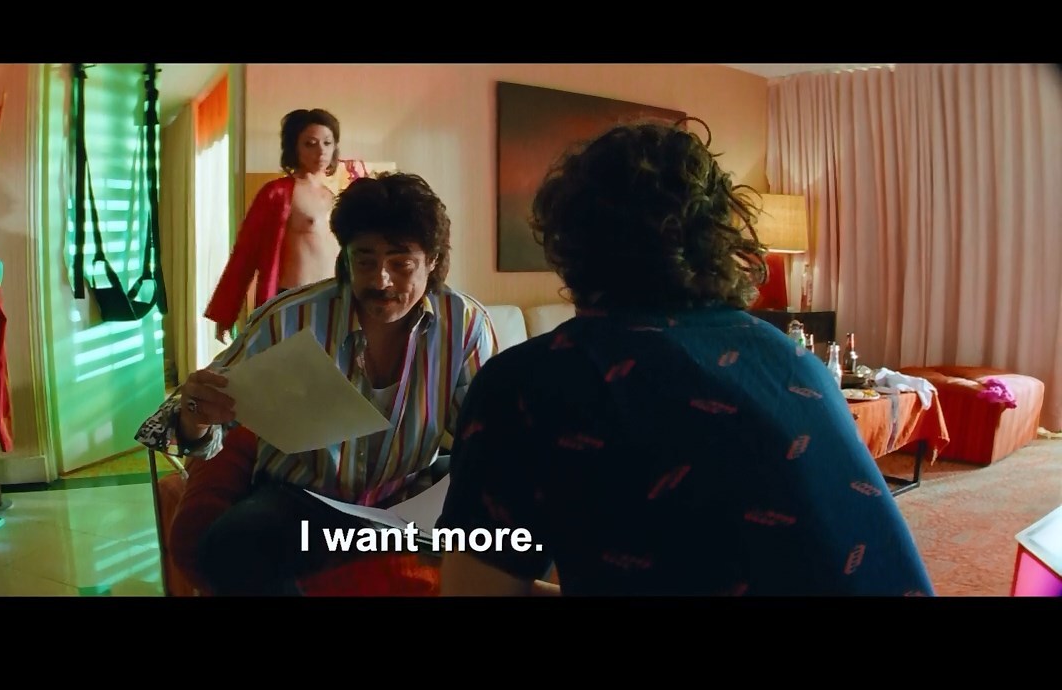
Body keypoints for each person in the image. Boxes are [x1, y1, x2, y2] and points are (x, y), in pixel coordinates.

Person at [436, 119, 936, 597]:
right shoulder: (790, 357)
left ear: (568, 241)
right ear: (720, 234)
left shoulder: (528, 384)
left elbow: (474, 590)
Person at [137, 172, 498, 595]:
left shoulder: (464, 324)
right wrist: (195, 417)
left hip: (407, 494)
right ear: (345, 257)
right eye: (364, 261)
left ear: (432, 260)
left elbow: (482, 434)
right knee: (227, 548)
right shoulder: (290, 319)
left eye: (401, 264)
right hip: (304, 498)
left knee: (519, 523)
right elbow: (188, 421)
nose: (380, 281)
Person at [204, 108, 360, 344]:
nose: (321, 151)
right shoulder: (277, 193)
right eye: (310, 144)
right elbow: (245, 253)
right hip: (293, 300)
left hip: (334, 300)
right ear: (294, 147)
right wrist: (226, 313)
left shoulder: (335, 196)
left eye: (327, 143)